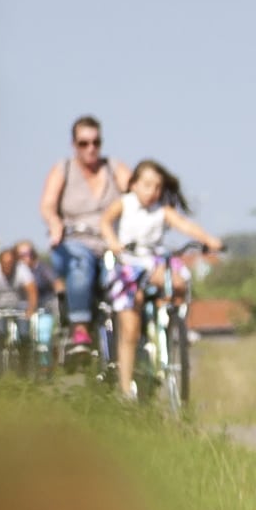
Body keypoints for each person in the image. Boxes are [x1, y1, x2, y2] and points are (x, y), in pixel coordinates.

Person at [106, 158, 215, 384]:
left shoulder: (162, 210)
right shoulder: (124, 203)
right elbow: (105, 222)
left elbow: (185, 225)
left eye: (157, 187)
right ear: (134, 184)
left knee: (178, 282)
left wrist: (209, 240)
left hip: (153, 262)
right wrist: (113, 242)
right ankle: (125, 390)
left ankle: (174, 325)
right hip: (129, 263)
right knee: (130, 329)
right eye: (147, 185)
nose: (153, 191)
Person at [36, 116, 125, 365]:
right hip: (73, 242)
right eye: (84, 143)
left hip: (110, 243)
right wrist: (55, 225)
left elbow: (136, 194)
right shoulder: (63, 169)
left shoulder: (114, 168)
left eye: (96, 142)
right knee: (81, 264)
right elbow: (47, 205)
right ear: (74, 144)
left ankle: (131, 339)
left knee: (123, 277)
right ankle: (80, 329)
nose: (91, 148)